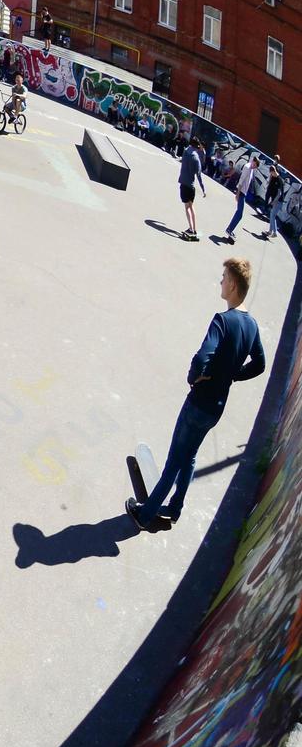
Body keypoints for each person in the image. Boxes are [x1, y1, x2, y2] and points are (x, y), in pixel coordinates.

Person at [128, 258, 265, 532]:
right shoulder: (252, 326)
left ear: (234, 285)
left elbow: (203, 355)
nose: (221, 281)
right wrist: (233, 376)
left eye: (224, 277)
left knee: (173, 462)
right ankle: (175, 509)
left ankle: (145, 516)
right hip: (216, 408)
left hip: (198, 403)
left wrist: (194, 377)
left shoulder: (223, 321)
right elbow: (260, 364)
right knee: (189, 458)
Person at [223, 155, 259, 242]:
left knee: (239, 213)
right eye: (255, 165)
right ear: (253, 162)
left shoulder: (250, 169)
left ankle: (230, 229)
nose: (255, 168)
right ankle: (229, 229)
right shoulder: (247, 167)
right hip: (241, 192)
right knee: (239, 213)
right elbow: (241, 180)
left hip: (243, 193)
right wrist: (237, 193)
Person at [178, 135, 208, 239]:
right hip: (190, 185)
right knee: (191, 206)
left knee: (187, 207)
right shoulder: (196, 159)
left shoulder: (186, 151)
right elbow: (199, 175)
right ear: (197, 146)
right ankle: (193, 228)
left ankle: (191, 229)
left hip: (184, 183)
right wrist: (203, 189)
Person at [263, 167, 286, 239]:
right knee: (271, 214)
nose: (271, 175)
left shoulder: (279, 180)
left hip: (278, 201)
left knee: (272, 215)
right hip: (275, 201)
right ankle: (270, 231)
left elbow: (279, 194)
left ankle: (275, 232)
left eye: (271, 173)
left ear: (273, 171)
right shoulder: (274, 178)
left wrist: (273, 202)